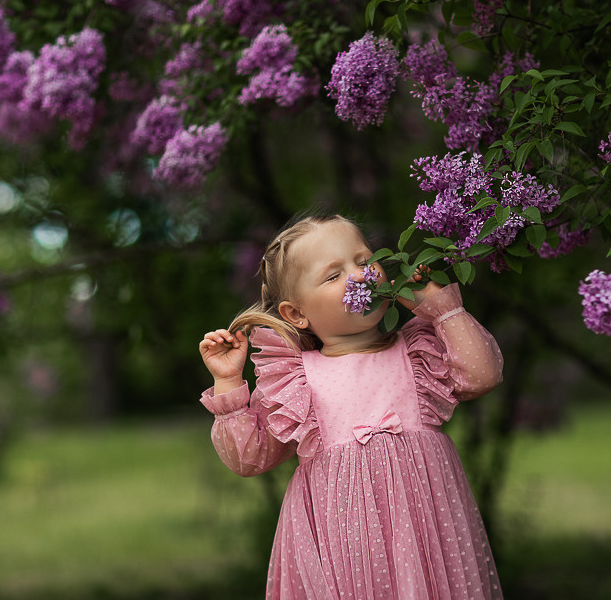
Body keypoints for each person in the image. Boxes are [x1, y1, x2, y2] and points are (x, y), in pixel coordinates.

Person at [199, 214, 504, 599]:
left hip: (427, 537)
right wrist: (228, 383)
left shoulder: (416, 353)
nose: (359, 276)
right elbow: (250, 457)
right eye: (333, 275)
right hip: (345, 552)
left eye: (363, 261)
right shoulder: (296, 379)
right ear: (297, 314)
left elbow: (482, 375)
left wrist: (440, 308)